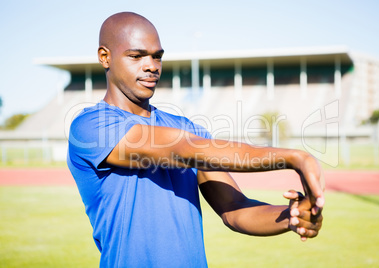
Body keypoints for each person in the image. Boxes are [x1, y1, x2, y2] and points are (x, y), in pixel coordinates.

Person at [67, 11, 324, 267]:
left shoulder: (185, 128)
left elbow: (235, 208)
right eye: (136, 56)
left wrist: (291, 216)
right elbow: (184, 150)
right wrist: (294, 157)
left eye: (157, 57)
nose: (151, 66)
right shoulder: (90, 127)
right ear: (105, 57)